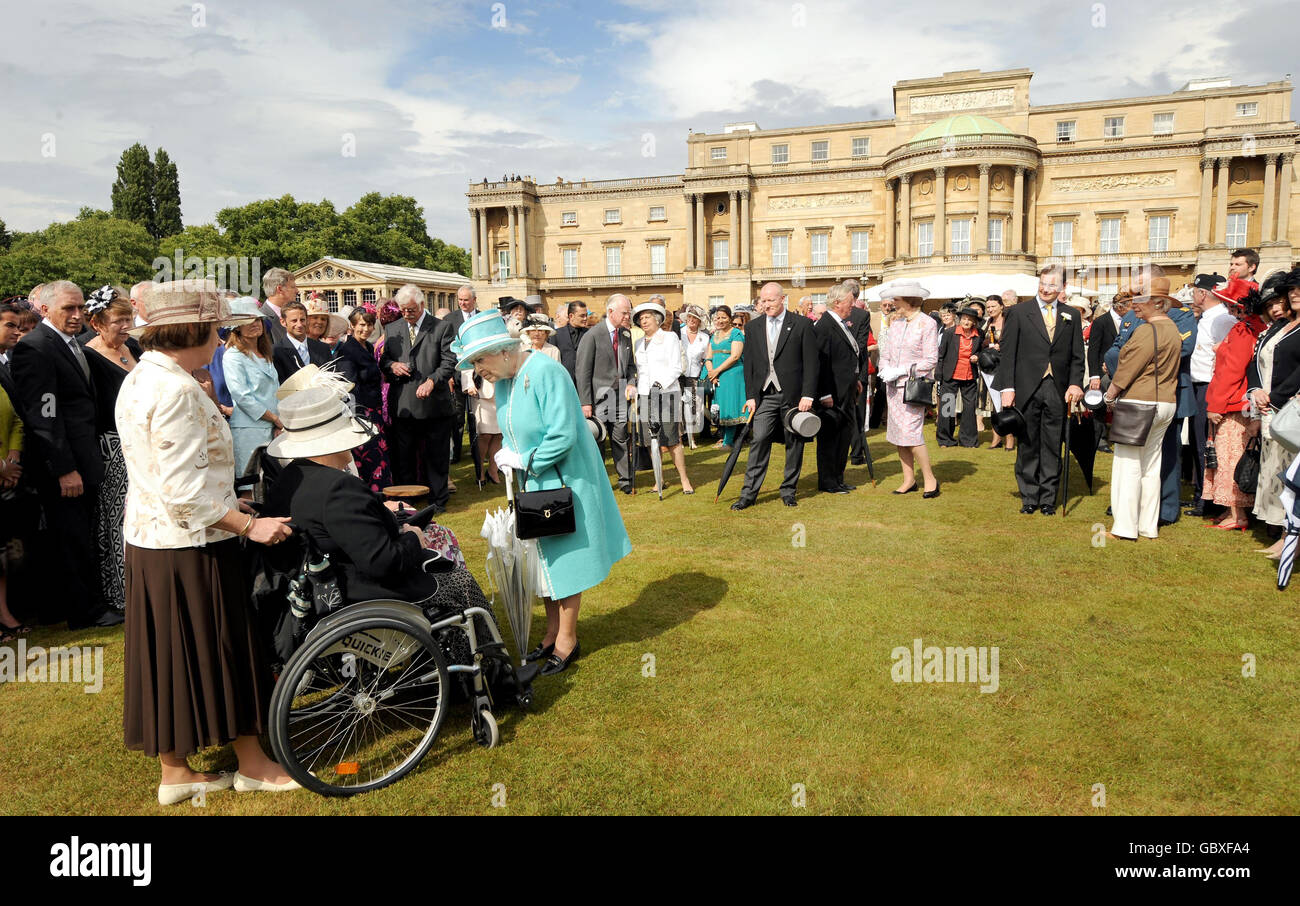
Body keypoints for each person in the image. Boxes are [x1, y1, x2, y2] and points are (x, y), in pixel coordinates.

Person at [116, 279, 297, 804]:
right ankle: (253, 764)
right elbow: (182, 494)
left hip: (155, 542)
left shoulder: (145, 376)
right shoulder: (173, 388)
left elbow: (167, 472)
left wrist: (227, 500)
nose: (220, 340)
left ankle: (177, 772)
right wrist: (248, 525)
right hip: (189, 544)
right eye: (214, 330)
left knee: (168, 654)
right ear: (191, 331)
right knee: (225, 648)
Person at [452, 309, 632, 675]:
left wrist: (524, 460)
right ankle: (552, 633)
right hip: (534, 482)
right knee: (544, 561)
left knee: (566, 560)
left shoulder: (548, 371)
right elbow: (515, 428)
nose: (476, 370)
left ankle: (568, 639)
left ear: (504, 351)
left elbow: (563, 434)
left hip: (564, 479)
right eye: (471, 363)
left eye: (479, 360)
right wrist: (509, 455)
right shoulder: (502, 380)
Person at [10, 281, 123, 630]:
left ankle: (92, 603)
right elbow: (43, 417)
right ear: (44, 310)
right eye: (68, 309)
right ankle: (83, 611)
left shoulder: (71, 344)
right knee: (71, 539)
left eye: (79, 308)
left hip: (84, 459)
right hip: (64, 467)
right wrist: (64, 469)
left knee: (83, 535)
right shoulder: (35, 347)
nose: (77, 315)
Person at [264, 387, 444, 603]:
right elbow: (382, 563)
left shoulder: (288, 479)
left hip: (318, 589)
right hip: (361, 594)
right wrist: (413, 537)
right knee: (459, 584)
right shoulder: (339, 488)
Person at [995, 264, 1085, 516]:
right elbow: (1008, 352)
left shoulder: (1071, 315)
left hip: (1057, 388)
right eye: (1043, 283)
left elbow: (1077, 355)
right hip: (1026, 387)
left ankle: (1048, 498)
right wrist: (1007, 387)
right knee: (1028, 443)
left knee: (1052, 444)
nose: (1046, 289)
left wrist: (1076, 383)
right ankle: (1029, 497)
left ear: (1062, 287)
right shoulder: (1019, 312)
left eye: (1052, 285)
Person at [1103, 284, 1182, 540]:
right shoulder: (1172, 328)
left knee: (1128, 465)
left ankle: (1125, 528)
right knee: (1150, 466)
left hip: (1140, 403)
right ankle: (1147, 526)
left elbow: (1128, 368)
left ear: (1159, 303)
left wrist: (1110, 394)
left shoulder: (1148, 331)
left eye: (1141, 300)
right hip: (1165, 403)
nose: (1134, 304)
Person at [731, 282, 820, 510]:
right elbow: (749, 364)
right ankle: (748, 494)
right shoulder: (753, 327)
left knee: (794, 443)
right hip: (765, 396)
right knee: (759, 440)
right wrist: (751, 396)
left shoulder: (801, 324)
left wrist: (808, 394)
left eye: (770, 300)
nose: (766, 304)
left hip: (793, 395)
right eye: (763, 300)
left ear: (782, 300)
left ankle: (789, 491)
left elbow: (812, 363)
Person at [83, 286, 142, 612]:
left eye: (129, 319)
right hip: (113, 448)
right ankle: (122, 594)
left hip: (141, 443)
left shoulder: (133, 346)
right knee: (120, 519)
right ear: (97, 323)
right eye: (119, 320)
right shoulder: (88, 356)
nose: (126, 326)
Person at [380, 284, 457, 510]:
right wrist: (392, 365)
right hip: (404, 403)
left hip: (435, 405)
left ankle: (438, 499)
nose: (406, 314)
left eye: (411, 310)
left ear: (422, 305)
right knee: (405, 456)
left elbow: (449, 361)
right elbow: (384, 361)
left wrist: (432, 380)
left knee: (437, 456)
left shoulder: (442, 328)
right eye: (403, 310)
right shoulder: (393, 328)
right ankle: (407, 500)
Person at [1202, 279, 1266, 530]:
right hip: (1242, 403)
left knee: (1229, 457)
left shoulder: (1243, 330)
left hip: (1231, 403)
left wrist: (1215, 404)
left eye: (1231, 307)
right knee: (1236, 455)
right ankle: (1236, 511)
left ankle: (1236, 513)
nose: (1229, 311)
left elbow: (1231, 371)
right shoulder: (1256, 327)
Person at [1247, 267, 1300, 545]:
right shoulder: (1274, 330)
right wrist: (1255, 391)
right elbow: (1254, 362)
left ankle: (1288, 533)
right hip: (1266, 407)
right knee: (1271, 467)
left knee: (1288, 470)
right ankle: (1277, 528)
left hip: (1288, 408)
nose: (1280, 306)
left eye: (1281, 300)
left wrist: (1277, 397)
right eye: (1289, 293)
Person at [877, 281, 941, 497]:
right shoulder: (895, 323)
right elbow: (885, 352)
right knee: (897, 434)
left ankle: (930, 479)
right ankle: (909, 479)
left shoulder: (927, 323)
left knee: (911, 434)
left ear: (909, 300)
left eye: (896, 299)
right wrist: (884, 369)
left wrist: (903, 370)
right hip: (893, 387)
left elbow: (931, 359)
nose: (892, 303)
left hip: (912, 387)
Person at [575, 294, 636, 494]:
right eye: (624, 313)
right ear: (611, 312)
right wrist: (585, 402)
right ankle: (599, 482)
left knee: (620, 439)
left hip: (619, 399)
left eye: (629, 313)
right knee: (598, 442)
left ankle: (625, 480)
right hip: (597, 400)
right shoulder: (592, 335)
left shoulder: (626, 335)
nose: (628, 316)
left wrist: (631, 383)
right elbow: (582, 371)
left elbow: (630, 366)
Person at [1186, 272, 1235, 516]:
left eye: (1194, 291)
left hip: (1209, 386)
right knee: (1198, 442)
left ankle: (1210, 500)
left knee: (1207, 444)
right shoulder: (1208, 317)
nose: (1192, 295)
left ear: (1202, 293)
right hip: (1199, 384)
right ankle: (1201, 495)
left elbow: (1225, 359)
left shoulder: (1222, 320)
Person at [632, 299, 693, 495]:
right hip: (644, 394)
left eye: (647, 317)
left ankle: (684, 480)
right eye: (641, 318)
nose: (644, 321)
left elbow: (677, 367)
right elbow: (640, 370)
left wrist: (661, 383)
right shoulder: (638, 342)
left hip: (667, 393)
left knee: (672, 438)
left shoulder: (670, 337)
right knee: (650, 440)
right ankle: (659, 480)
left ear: (658, 319)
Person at [223, 297, 282, 478]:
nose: (254, 323)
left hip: (273, 429)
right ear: (236, 327)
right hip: (249, 431)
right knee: (251, 487)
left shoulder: (265, 353)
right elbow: (241, 396)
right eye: (247, 320)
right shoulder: (233, 356)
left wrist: (278, 421)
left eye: (257, 319)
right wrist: (274, 419)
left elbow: (275, 391)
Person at [335, 307, 392, 493]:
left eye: (369, 324)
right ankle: (373, 498)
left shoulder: (368, 346)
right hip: (360, 415)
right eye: (362, 324)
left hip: (374, 412)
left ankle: (382, 498)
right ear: (352, 325)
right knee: (369, 460)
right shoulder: (347, 351)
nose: (366, 329)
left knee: (380, 458)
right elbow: (348, 387)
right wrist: (358, 417)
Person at [813, 283, 862, 495]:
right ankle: (828, 481)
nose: (853, 306)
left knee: (844, 436)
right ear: (837, 303)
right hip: (831, 393)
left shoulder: (842, 324)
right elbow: (820, 363)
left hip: (847, 390)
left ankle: (838, 478)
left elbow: (848, 355)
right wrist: (824, 393)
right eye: (850, 302)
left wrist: (855, 378)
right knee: (830, 438)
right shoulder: (824, 326)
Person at [0, 302, 28, 640]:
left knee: (5, 554)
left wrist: (12, 461)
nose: (17, 330)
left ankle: (5, 613)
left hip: (9, 477)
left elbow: (16, 419)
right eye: (9, 325)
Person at [936, 306, 984, 448]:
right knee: (948, 408)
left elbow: (983, 351)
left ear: (974, 322)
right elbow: (941, 355)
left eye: (969, 319)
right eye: (964, 318)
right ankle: (945, 439)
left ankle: (968, 440)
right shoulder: (950, 333)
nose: (966, 321)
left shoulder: (979, 334)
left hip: (969, 376)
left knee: (969, 409)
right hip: (950, 375)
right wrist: (939, 374)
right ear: (960, 319)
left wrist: (978, 356)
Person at [444, 286, 479, 462]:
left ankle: (478, 453)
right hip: (456, 377)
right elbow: (445, 350)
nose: (462, 303)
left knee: (479, 418)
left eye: (466, 300)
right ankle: (455, 454)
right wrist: (448, 375)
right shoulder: (449, 320)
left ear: (474, 299)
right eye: (460, 300)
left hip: (479, 375)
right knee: (457, 418)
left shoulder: (481, 318)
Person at [706, 306, 746, 447]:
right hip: (718, 377)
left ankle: (728, 442)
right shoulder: (714, 335)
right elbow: (708, 358)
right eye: (717, 317)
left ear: (730, 318)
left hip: (733, 375)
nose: (720, 320)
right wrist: (712, 373)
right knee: (721, 408)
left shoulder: (736, 333)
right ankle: (725, 439)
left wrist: (717, 371)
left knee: (731, 407)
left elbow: (735, 356)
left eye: (724, 317)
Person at [272, 300, 331, 383]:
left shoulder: (323, 348)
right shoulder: (276, 351)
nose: (299, 325)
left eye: (302, 320)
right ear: (283, 322)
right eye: (294, 321)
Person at [983, 294, 1014, 451]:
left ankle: (1010, 438)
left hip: (1006, 365)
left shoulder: (1010, 322)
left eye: (993, 306)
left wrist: (1001, 346)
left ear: (1001, 306)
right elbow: (982, 342)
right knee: (996, 404)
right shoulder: (987, 323)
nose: (990, 309)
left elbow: (1014, 342)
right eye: (988, 307)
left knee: (1006, 403)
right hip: (989, 368)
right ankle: (997, 437)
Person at [679, 305, 711, 443]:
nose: (692, 320)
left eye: (695, 318)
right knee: (679, 405)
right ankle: (680, 436)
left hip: (696, 375)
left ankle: (692, 436)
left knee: (694, 406)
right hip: (679, 375)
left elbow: (705, 358)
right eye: (690, 317)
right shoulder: (678, 333)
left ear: (699, 322)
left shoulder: (704, 337)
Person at [553, 300, 589, 384]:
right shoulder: (556, 334)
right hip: (563, 381)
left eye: (586, 315)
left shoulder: (590, 334)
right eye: (582, 316)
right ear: (571, 316)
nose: (585, 318)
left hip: (584, 383)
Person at [258, 267, 295, 346]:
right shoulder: (261, 319)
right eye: (293, 287)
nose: (297, 290)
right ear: (280, 289)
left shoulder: (291, 315)